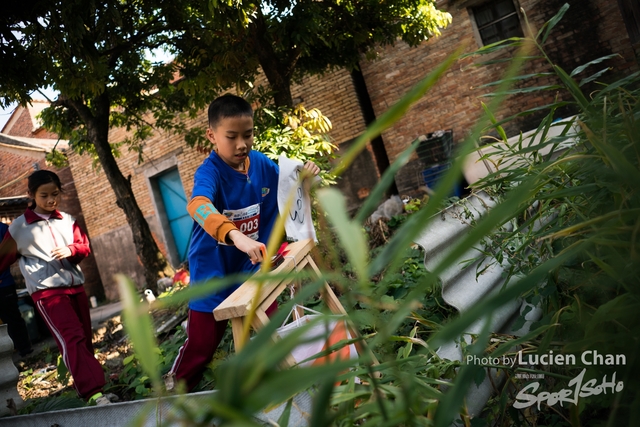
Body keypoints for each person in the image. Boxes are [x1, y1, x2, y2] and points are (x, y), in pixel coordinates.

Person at [167, 94, 320, 392]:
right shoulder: (210, 172)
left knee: (271, 329)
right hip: (213, 274)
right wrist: (235, 235)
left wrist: (306, 182)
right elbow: (198, 205)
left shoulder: (261, 164)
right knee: (202, 347)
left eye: (247, 135)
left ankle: (286, 390)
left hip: (254, 269)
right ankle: (172, 397)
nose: (241, 144)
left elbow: (288, 199)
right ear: (212, 136)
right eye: (231, 136)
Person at [0, 170, 112, 406]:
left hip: (76, 288)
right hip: (47, 294)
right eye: (44, 196)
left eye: (55, 194)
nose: (51, 200)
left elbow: (84, 247)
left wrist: (72, 250)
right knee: (71, 338)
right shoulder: (19, 228)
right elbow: (2, 259)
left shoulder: (68, 220)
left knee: (84, 339)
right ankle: (93, 393)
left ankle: (96, 390)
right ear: (31, 195)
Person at [0, 221, 33, 357]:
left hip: (4, 284)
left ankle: (25, 351)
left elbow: (13, 252)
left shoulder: (3, 229)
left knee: (12, 319)